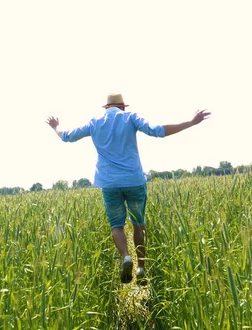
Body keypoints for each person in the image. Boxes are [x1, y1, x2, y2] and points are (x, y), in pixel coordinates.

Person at [46, 93, 210, 284]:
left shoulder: (94, 123)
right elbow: (158, 131)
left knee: (116, 225)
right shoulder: (131, 118)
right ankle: (141, 268)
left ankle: (125, 256)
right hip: (134, 180)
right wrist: (191, 122)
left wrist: (55, 126)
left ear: (106, 107)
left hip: (109, 183)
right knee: (138, 223)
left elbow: (66, 137)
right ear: (123, 107)